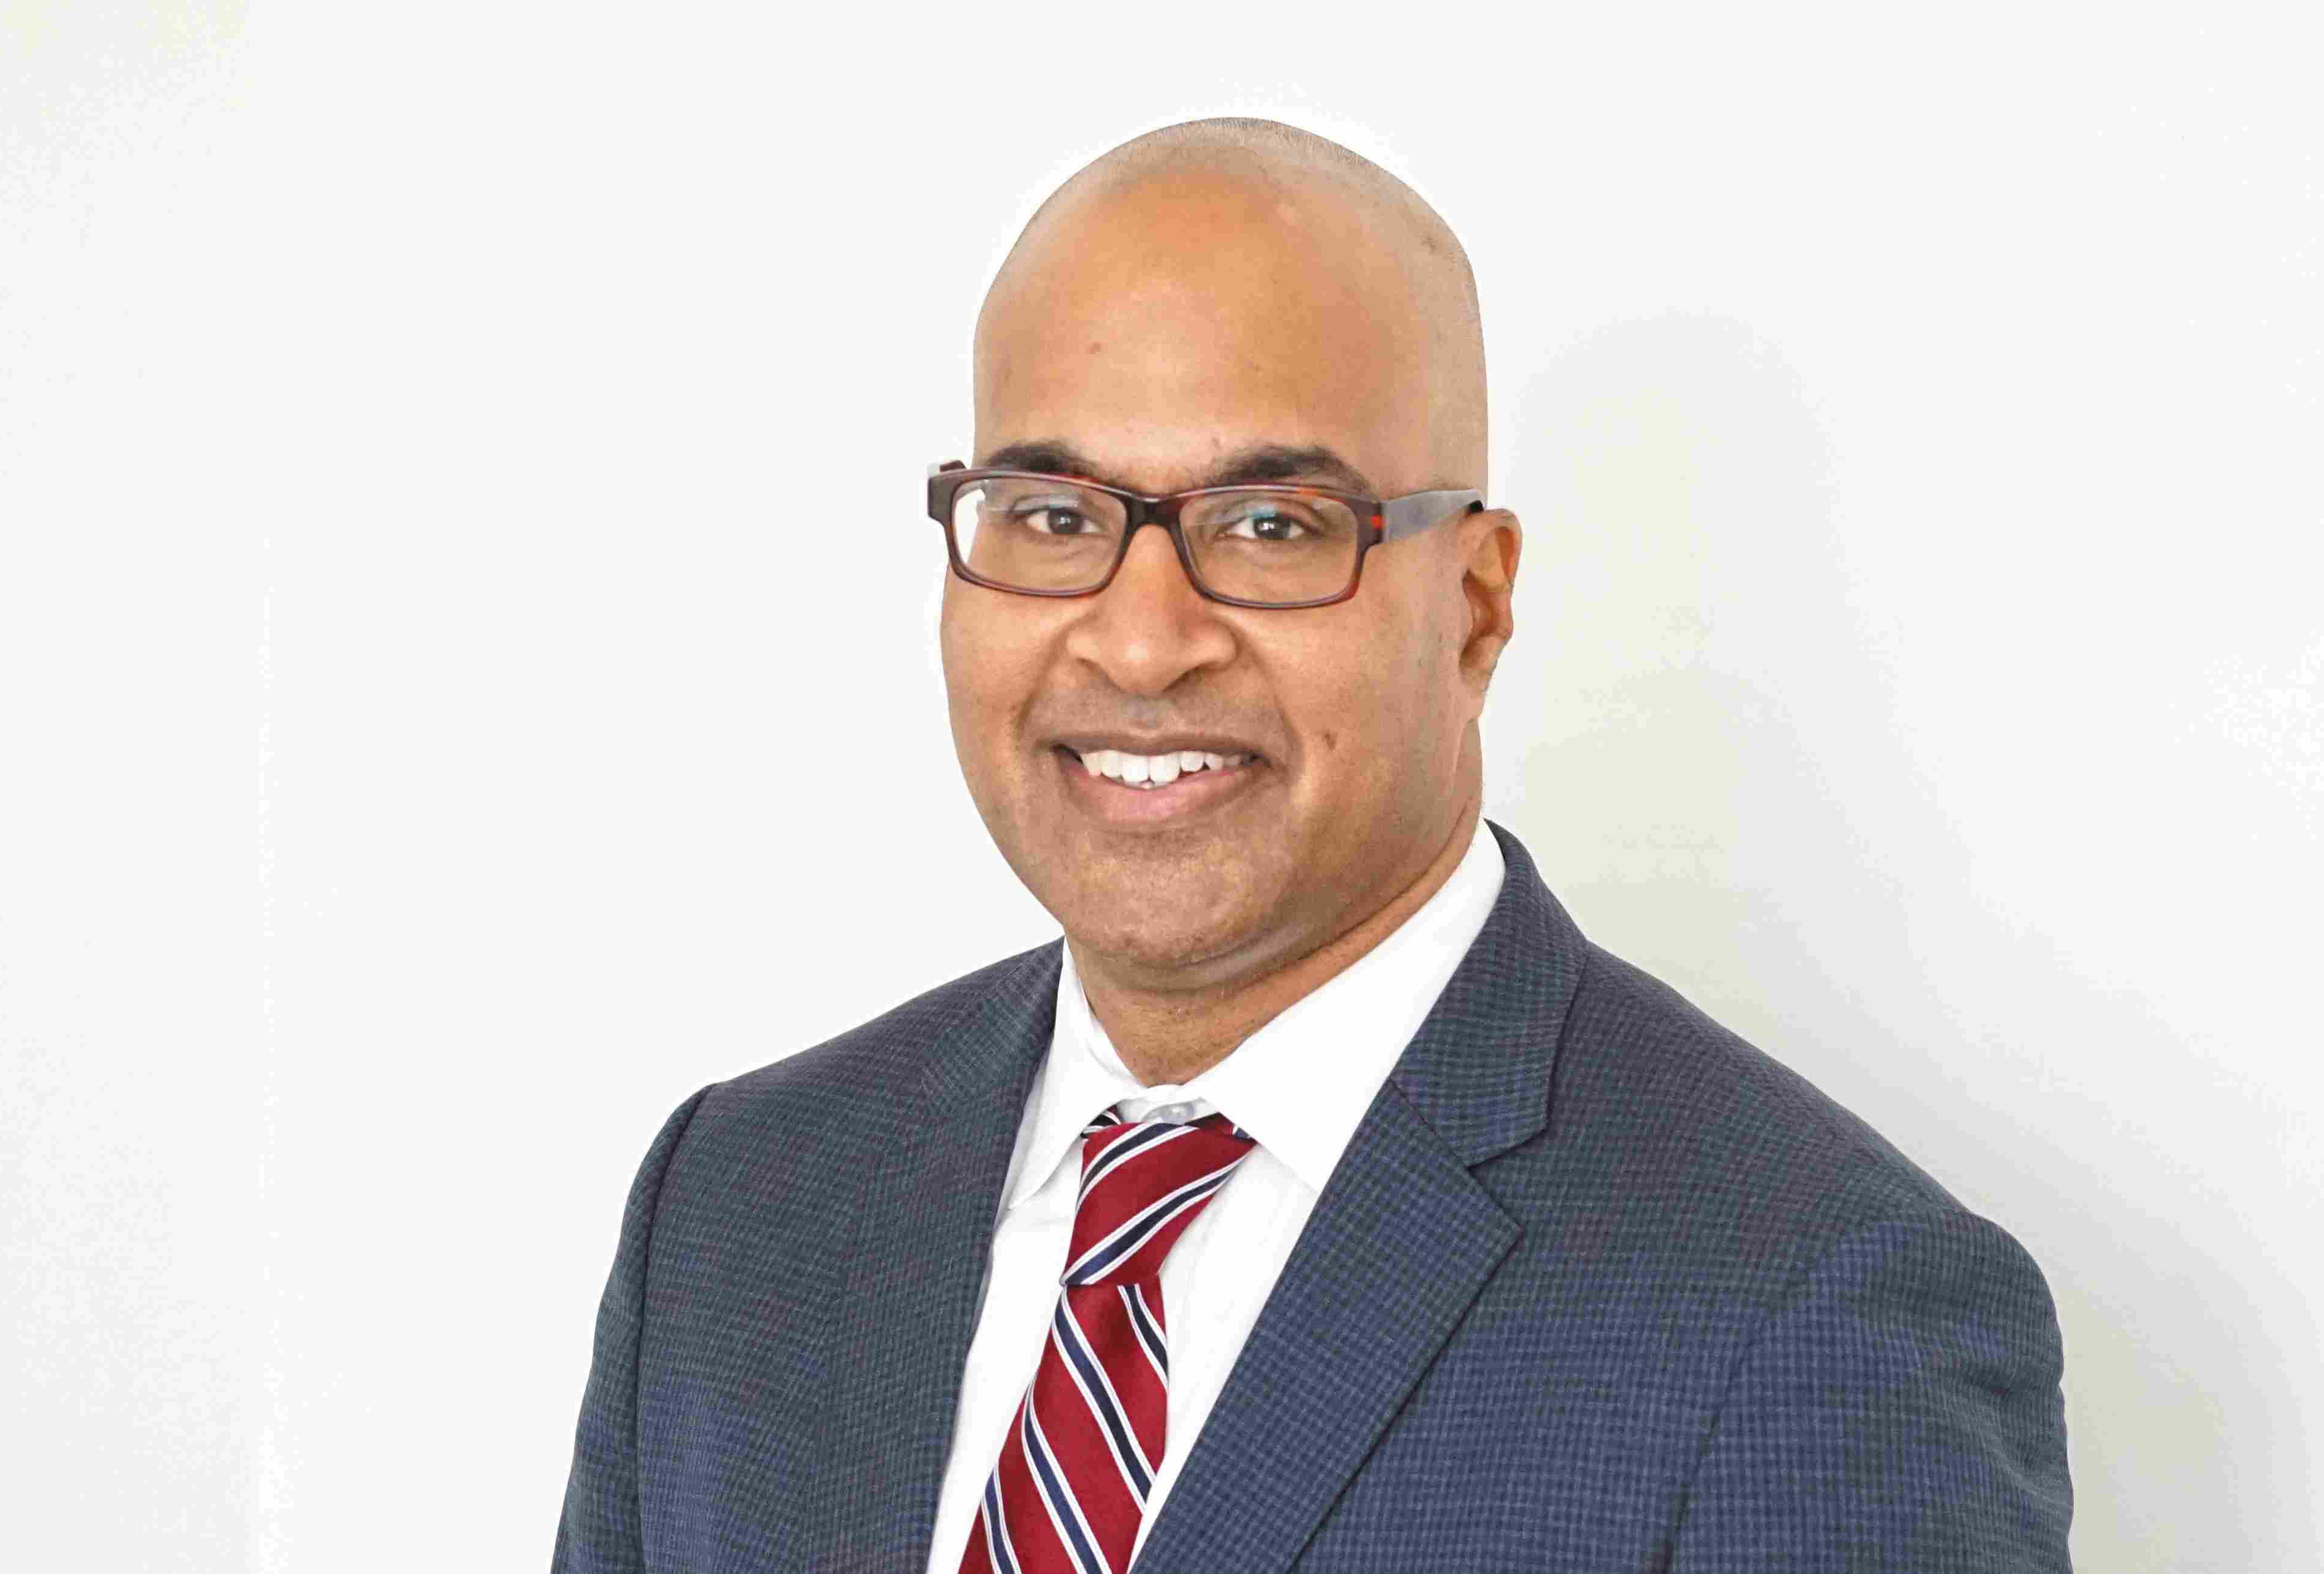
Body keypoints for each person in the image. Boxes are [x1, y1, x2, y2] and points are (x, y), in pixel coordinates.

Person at [553, 118, 2073, 1573]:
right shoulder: (740, 1206)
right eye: (1054, 516)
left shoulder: (1814, 1307)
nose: (1141, 641)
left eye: (1273, 524)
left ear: (1475, 605)